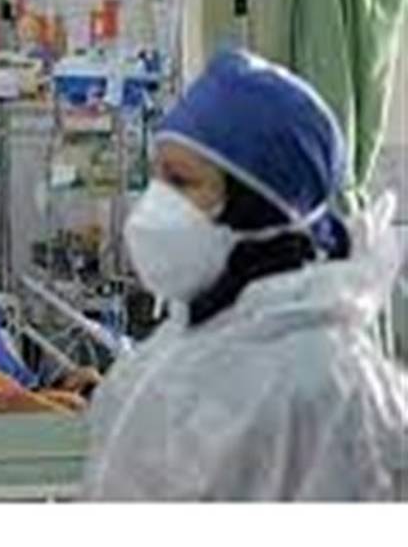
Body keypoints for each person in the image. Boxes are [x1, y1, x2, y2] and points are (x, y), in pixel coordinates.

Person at [84, 49, 407, 501]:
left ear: (255, 206)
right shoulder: (171, 354)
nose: (155, 205)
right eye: (157, 179)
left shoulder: (328, 389)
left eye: (180, 182)